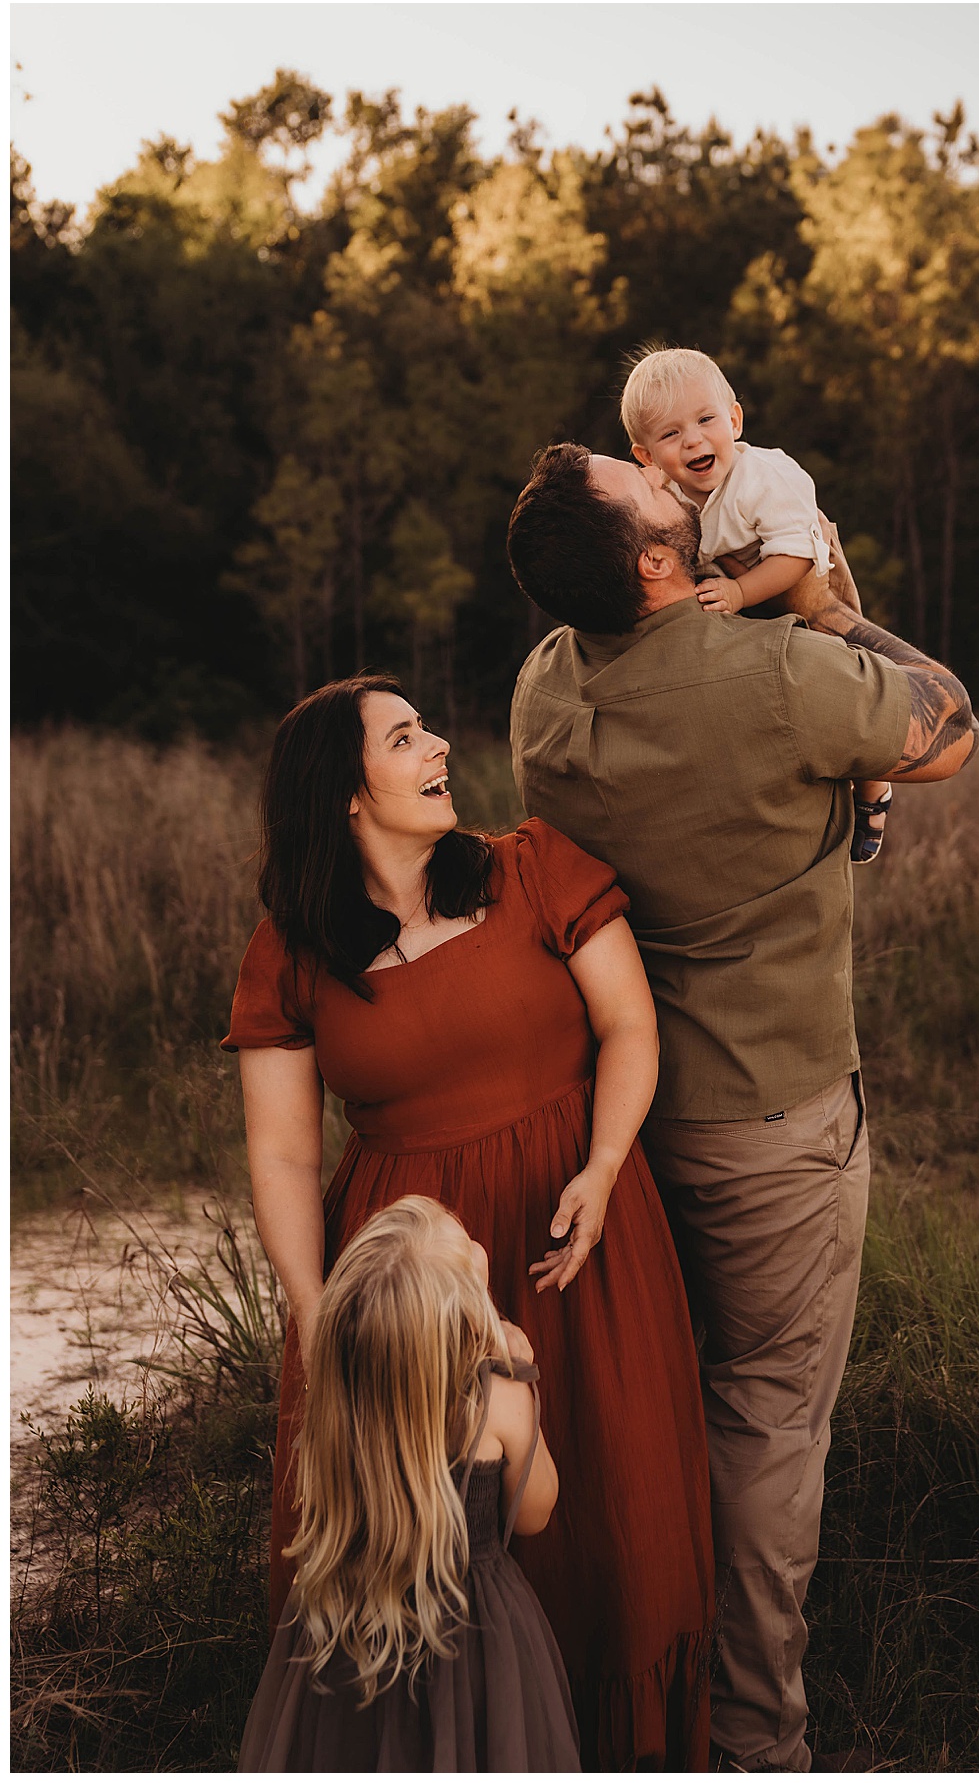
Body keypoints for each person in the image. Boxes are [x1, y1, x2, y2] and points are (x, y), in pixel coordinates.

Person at [506, 444, 978, 1772]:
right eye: (651, 485)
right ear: (660, 560)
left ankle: (622, 1707)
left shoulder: (543, 689)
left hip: (620, 1118)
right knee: (767, 1427)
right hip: (774, 1123)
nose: (674, 476)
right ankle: (757, 1741)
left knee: (648, 1418)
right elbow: (946, 727)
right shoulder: (775, 673)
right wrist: (822, 596)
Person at [222, 673, 714, 1771]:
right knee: (415, 1542)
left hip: (577, 1234)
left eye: (427, 728)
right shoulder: (293, 948)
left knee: (613, 1519)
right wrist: (320, 1319)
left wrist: (600, 1164)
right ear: (347, 795)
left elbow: (630, 1026)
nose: (441, 744)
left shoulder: (531, 868)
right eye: (405, 738)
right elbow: (287, 1152)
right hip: (407, 1281)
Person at [239, 1196, 580, 1772]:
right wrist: (527, 1377)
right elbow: (534, 1512)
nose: (477, 1246)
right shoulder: (499, 1396)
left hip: (350, 1622)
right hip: (473, 1633)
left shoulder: (341, 1391)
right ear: (462, 1312)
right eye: (465, 1246)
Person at [620, 343, 893, 865]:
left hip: (808, 589)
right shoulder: (669, 497)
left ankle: (874, 793)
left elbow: (796, 556)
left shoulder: (765, 477)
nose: (694, 439)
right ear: (647, 458)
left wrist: (742, 591)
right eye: (671, 434)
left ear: (735, 419)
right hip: (738, 604)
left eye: (705, 419)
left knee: (849, 690)